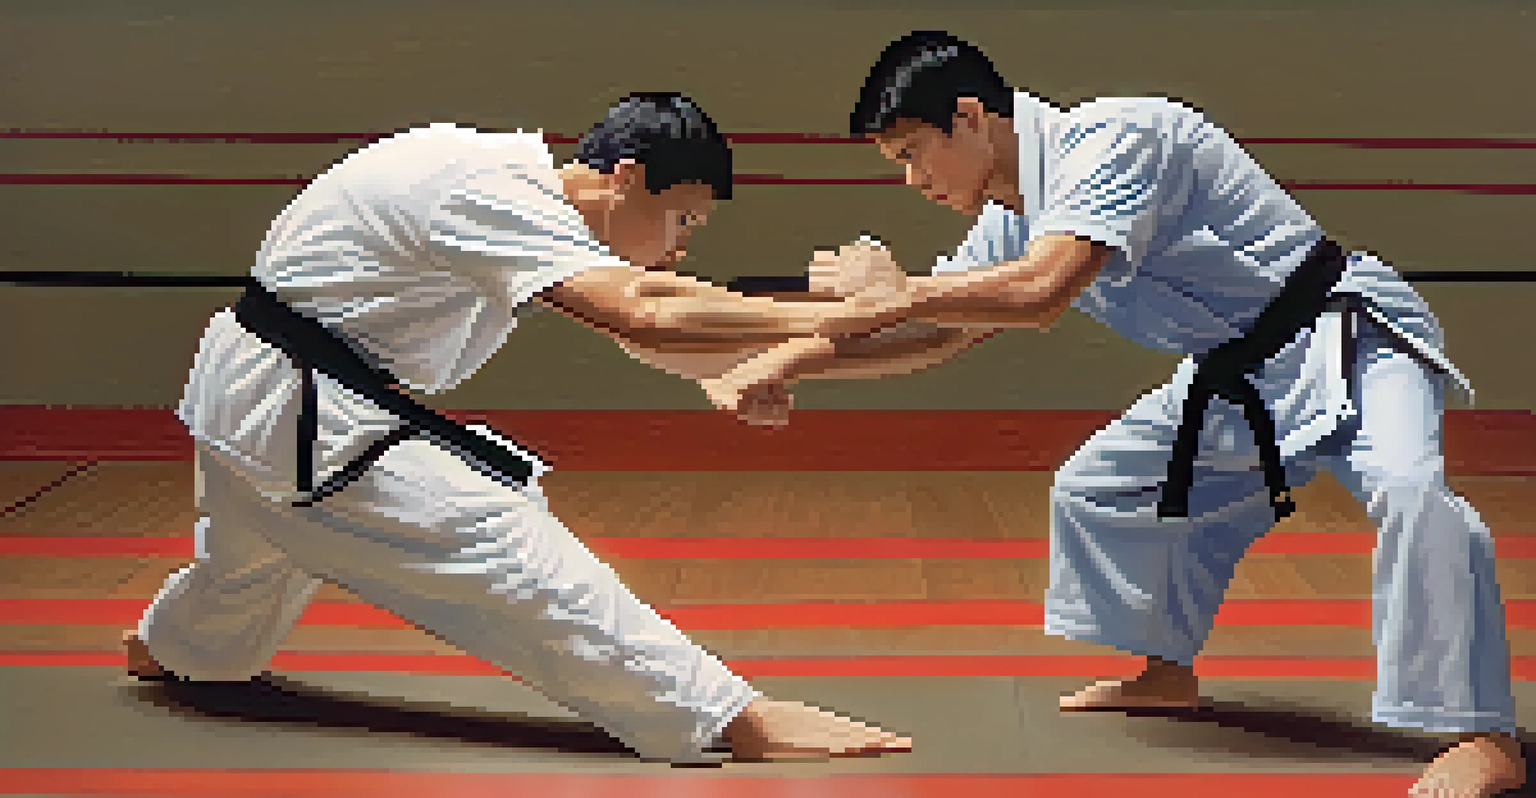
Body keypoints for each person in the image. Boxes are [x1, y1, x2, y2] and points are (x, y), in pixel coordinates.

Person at [707, 31, 1524, 796]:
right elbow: (935, 333)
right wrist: (790, 362)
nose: (913, 183)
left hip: (1341, 337)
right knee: (1101, 488)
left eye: (913, 155)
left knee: (1410, 492)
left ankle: (1482, 734)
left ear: (968, 117)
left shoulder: (1115, 138)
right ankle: (1166, 672)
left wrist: (896, 291)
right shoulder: (1010, 216)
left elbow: (1039, 291)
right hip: (1237, 373)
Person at [122, 92, 912, 765]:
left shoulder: (510, 191)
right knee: (495, 539)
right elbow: (641, 308)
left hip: (260, 403)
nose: (679, 246)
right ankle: (731, 718)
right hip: (304, 418)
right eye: (681, 218)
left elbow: (642, 322)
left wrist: (750, 365)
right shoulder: (489, 188)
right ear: (625, 179)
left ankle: (173, 646)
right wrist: (843, 310)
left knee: (244, 576)